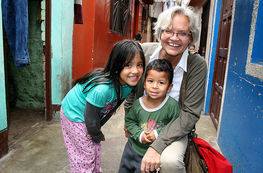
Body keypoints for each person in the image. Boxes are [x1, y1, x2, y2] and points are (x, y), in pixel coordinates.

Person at [124, 6, 207, 173]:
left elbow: (190, 113)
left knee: (169, 162)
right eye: (168, 31)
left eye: (182, 33)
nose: (174, 38)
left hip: (175, 127)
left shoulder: (197, 65)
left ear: (191, 37)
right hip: (144, 123)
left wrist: (157, 146)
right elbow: (131, 89)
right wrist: (129, 119)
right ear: (160, 32)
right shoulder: (144, 53)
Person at [60, 40, 145, 173]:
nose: (135, 71)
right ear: (116, 66)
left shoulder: (128, 85)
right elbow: (90, 116)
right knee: (84, 156)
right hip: (74, 114)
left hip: (90, 117)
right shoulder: (102, 90)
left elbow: (110, 109)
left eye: (139, 65)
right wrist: (95, 133)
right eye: (128, 65)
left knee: (94, 150)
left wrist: (96, 130)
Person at [119, 59, 180, 173]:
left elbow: (175, 125)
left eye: (161, 82)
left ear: (169, 87)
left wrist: (157, 133)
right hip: (132, 149)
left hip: (153, 154)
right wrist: (140, 134)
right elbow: (130, 121)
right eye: (150, 81)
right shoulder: (138, 104)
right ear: (144, 84)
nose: (155, 86)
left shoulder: (172, 106)